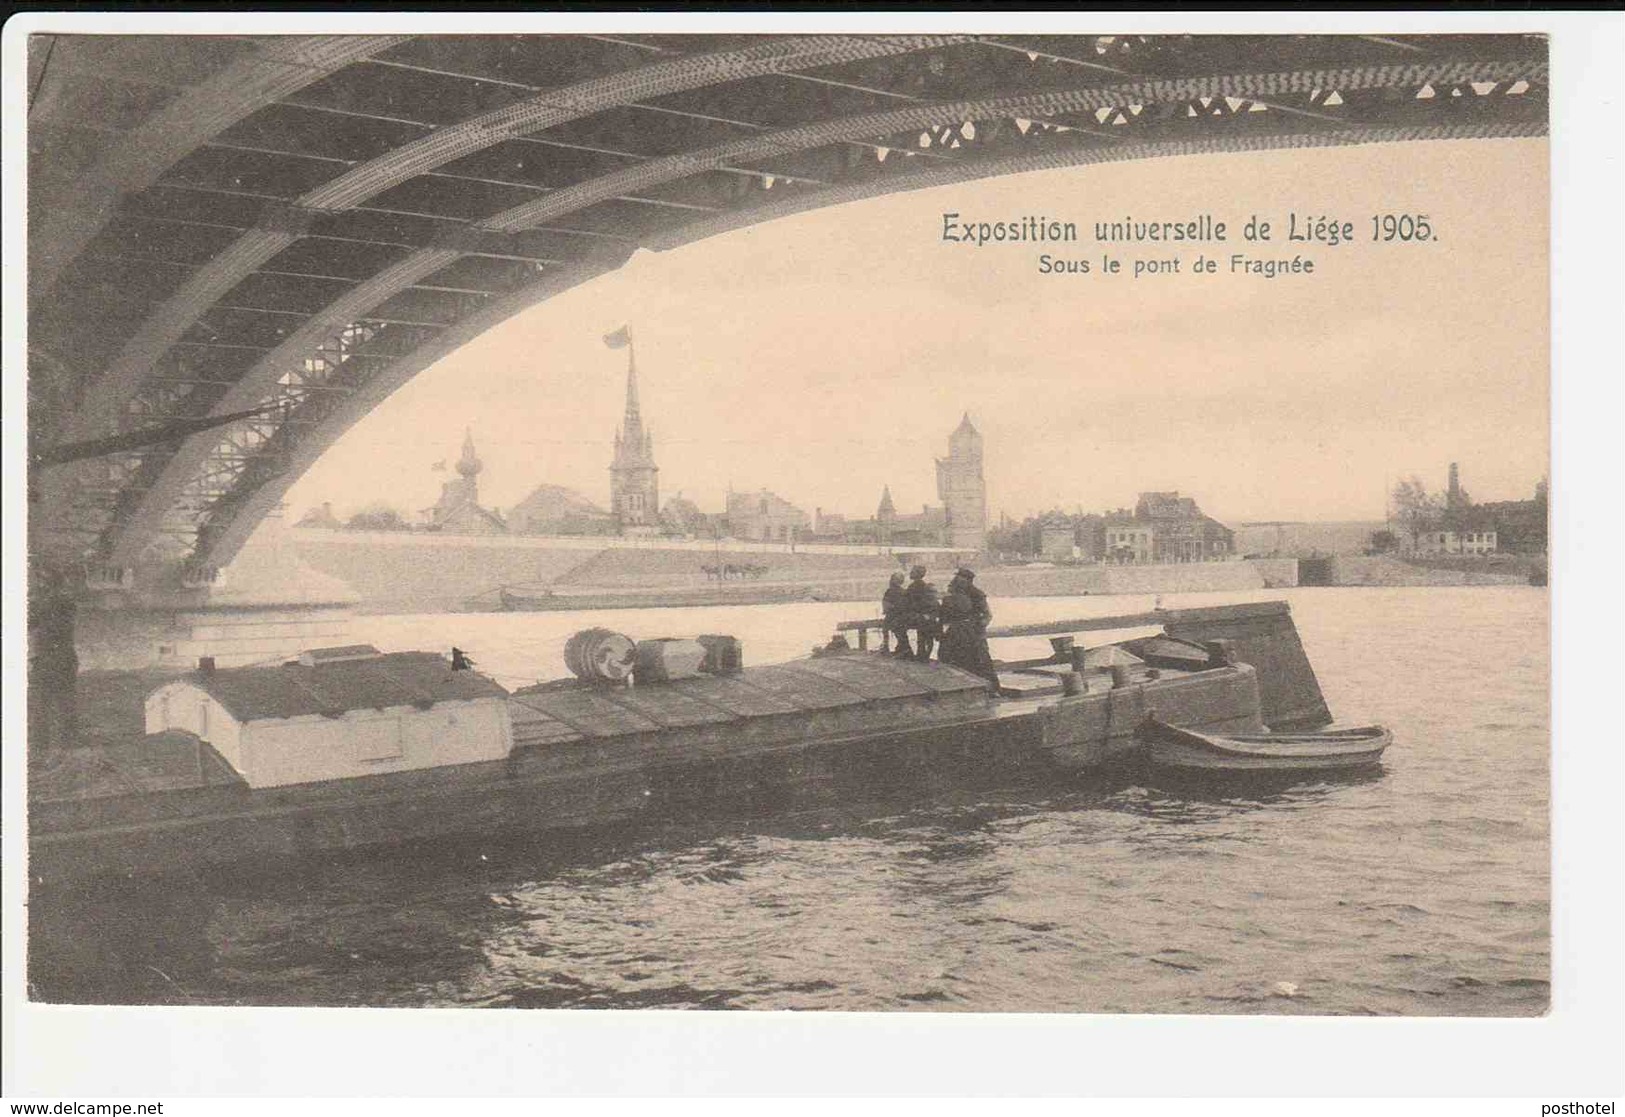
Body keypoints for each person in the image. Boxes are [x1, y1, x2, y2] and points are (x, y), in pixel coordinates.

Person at [944, 567, 998, 685]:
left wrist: (978, 626)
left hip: (975, 633)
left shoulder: (977, 594)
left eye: (960, 578)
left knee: (981, 660)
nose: (956, 580)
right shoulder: (955, 592)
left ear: (967, 580)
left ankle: (989, 686)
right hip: (959, 633)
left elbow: (987, 615)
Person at [902, 564, 940, 662]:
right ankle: (923, 655)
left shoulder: (915, 586)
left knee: (923, 637)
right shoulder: (922, 586)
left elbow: (909, 602)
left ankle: (920, 655)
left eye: (913, 571)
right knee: (925, 638)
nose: (910, 573)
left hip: (919, 616)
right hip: (925, 616)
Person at [881, 571, 912, 656]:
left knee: (886, 628)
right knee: (900, 632)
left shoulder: (890, 591)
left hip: (893, 614)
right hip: (901, 614)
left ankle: (887, 647)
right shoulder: (903, 591)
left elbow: (886, 604)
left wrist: (888, 609)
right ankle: (903, 648)